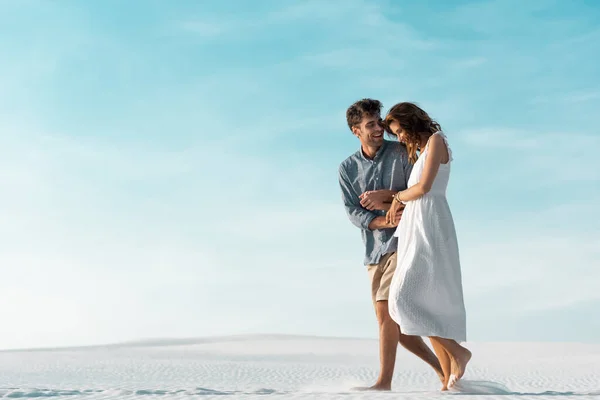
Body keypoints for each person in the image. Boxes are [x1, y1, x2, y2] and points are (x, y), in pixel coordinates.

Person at [338, 98, 444, 391]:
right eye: (370, 125)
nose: (378, 130)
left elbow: (420, 188)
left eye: (379, 123)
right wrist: (382, 220)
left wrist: (389, 196)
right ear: (355, 130)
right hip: (373, 250)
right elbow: (352, 211)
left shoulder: (401, 152)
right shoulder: (347, 169)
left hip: (404, 240)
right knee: (393, 325)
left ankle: (384, 383)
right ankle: (443, 369)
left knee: (387, 311)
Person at [383, 102, 471, 391]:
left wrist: (396, 197)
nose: (400, 138)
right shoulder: (422, 150)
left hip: (430, 224)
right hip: (416, 225)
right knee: (422, 302)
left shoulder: (436, 140)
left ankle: (458, 352)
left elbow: (424, 187)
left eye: (400, 131)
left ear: (412, 122)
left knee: (401, 298)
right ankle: (449, 382)